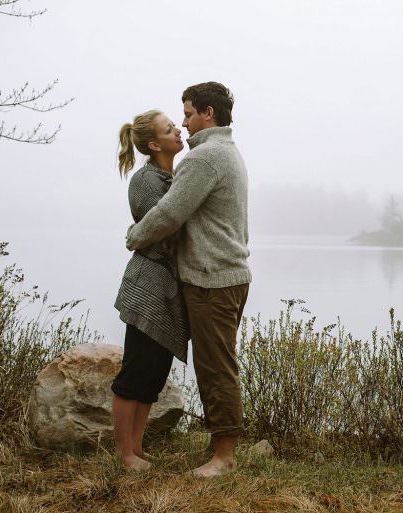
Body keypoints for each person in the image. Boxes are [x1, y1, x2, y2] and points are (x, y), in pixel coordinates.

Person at [126, 82, 251, 477]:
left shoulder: (204, 159)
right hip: (226, 275)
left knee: (216, 369)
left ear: (207, 114)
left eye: (187, 113)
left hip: (213, 279)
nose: (183, 122)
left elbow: (167, 215)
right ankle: (220, 449)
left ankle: (224, 458)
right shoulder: (226, 151)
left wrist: (133, 237)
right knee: (218, 365)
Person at [111, 110, 189, 471]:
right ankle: (124, 455)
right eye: (169, 128)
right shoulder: (145, 180)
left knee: (154, 376)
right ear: (154, 144)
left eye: (176, 124)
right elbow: (162, 227)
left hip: (167, 290)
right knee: (135, 372)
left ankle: (137, 449)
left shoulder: (171, 175)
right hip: (148, 288)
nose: (178, 130)